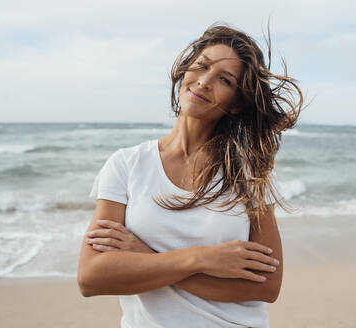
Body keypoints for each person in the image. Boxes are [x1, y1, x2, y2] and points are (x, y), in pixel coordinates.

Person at [77, 22, 303, 328]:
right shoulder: (126, 164)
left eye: (224, 79)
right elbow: (92, 277)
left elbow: (266, 286)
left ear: (236, 104)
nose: (204, 81)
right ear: (185, 71)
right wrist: (201, 259)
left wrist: (144, 256)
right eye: (202, 66)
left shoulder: (251, 173)